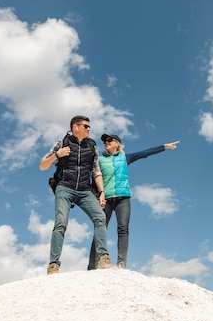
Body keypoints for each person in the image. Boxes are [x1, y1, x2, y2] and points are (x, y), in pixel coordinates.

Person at [88, 134, 180, 270]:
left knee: (123, 229)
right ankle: (92, 265)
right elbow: (94, 177)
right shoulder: (100, 160)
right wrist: (97, 195)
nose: (106, 142)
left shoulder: (125, 158)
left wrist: (164, 147)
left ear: (117, 143)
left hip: (123, 198)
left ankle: (121, 263)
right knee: (100, 230)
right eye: (104, 141)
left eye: (109, 140)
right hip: (105, 199)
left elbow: (144, 153)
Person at [40, 115, 117, 274]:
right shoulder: (61, 144)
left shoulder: (92, 147)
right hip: (64, 188)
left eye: (89, 126)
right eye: (86, 126)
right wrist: (57, 155)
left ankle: (103, 259)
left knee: (100, 218)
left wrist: (102, 192)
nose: (89, 129)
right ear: (76, 127)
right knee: (61, 223)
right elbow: (42, 165)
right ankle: (53, 265)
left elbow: (96, 171)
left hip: (84, 190)